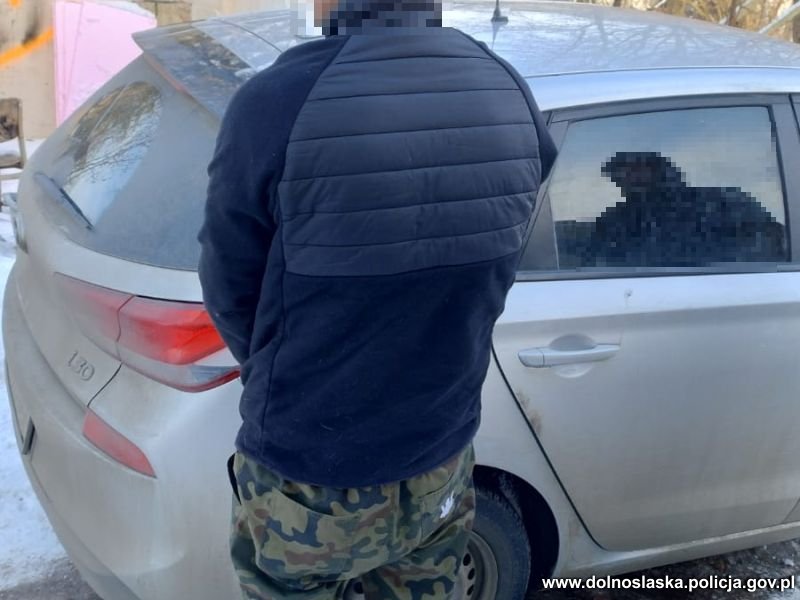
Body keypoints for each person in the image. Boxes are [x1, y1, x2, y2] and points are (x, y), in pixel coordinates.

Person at [196, 0, 557, 596]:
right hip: (440, 455)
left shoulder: (280, 99)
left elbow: (229, 284)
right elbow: (506, 247)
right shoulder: (506, 86)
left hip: (310, 470)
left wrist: (276, 372)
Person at [581, 151, 785, 267]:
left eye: (637, 169)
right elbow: (586, 265)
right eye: (621, 173)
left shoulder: (723, 204)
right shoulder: (613, 221)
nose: (628, 178)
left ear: (661, 172)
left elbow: (776, 245)